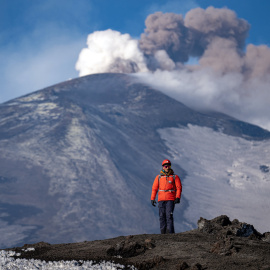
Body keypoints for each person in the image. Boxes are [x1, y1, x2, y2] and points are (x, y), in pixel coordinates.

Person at [151, 159, 182, 234]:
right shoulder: (159, 177)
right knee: (162, 216)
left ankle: (170, 233)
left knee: (169, 215)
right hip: (161, 200)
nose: (167, 167)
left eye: (169, 166)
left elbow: (179, 188)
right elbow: (154, 188)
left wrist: (178, 197)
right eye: (166, 166)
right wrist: (152, 198)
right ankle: (163, 233)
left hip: (170, 199)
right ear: (163, 167)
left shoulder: (174, 177)